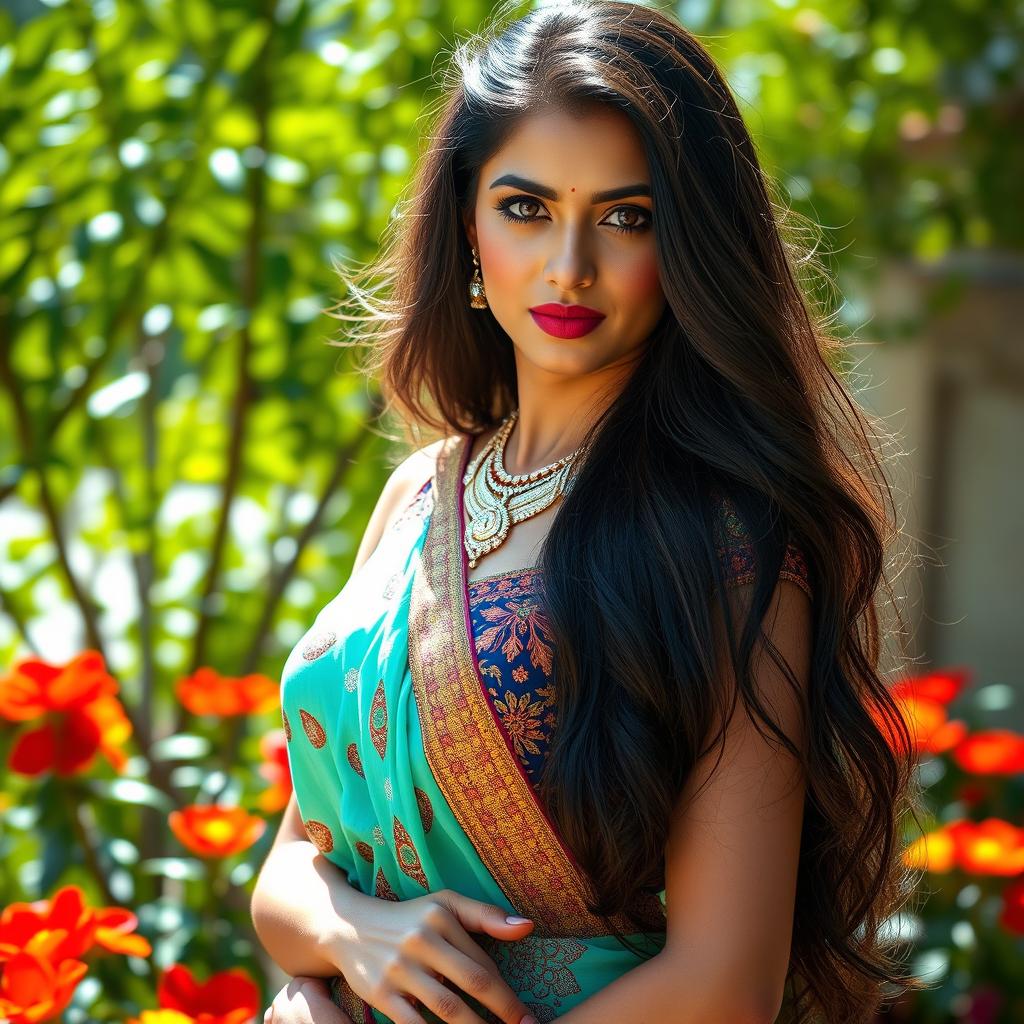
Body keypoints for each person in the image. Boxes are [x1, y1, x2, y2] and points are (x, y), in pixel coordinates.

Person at [250, 2, 927, 1022]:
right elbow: (287, 875)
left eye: (626, 217)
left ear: (689, 246)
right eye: (525, 208)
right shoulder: (415, 498)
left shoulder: (722, 545)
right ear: (468, 231)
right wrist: (359, 932)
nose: (569, 265)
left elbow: (722, 982)